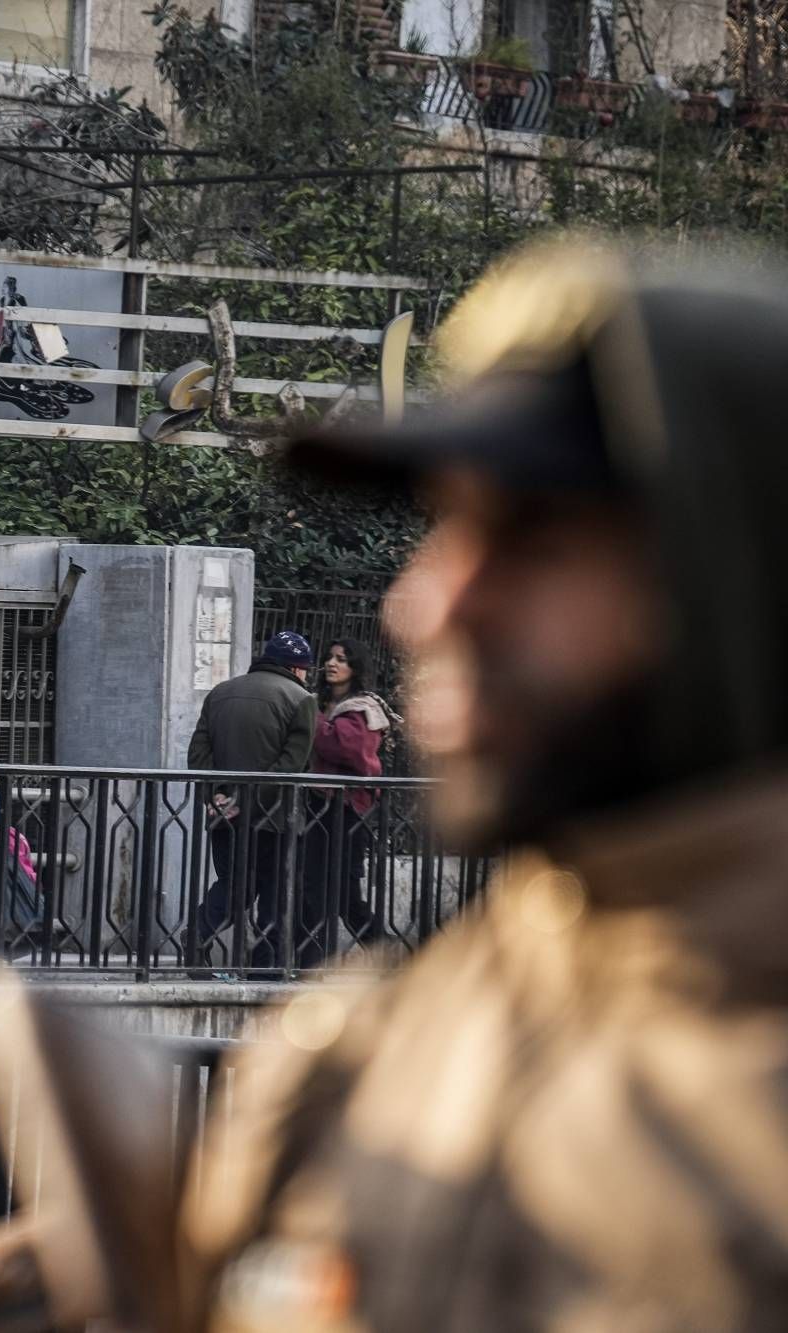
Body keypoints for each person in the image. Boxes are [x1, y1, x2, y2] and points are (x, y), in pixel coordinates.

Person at [182, 243, 788, 1327]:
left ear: (742, 578)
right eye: (446, 525)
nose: (426, 606)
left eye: (535, 539)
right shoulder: (375, 1042)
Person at [185, 629, 316, 974]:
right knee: (273, 894)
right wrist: (246, 801)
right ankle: (264, 969)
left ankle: (197, 936)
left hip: (222, 816)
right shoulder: (301, 699)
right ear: (297, 668)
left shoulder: (220, 693)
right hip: (275, 820)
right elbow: (292, 765)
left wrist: (217, 796)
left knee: (234, 886)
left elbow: (198, 753)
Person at [294, 637, 397, 967]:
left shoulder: (363, 707)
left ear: (355, 667)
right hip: (320, 806)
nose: (331, 663)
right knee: (313, 886)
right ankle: (310, 962)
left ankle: (386, 954)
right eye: (329, 657)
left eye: (341, 659)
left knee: (345, 893)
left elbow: (346, 748)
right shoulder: (325, 704)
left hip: (347, 810)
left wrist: (313, 720)